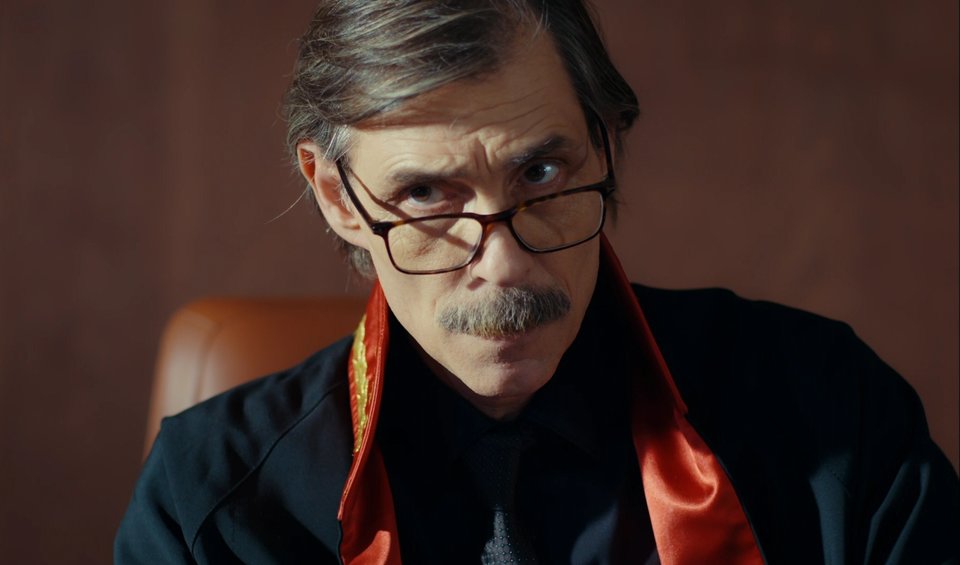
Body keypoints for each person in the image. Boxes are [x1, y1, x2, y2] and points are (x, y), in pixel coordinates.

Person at [115, 1, 959, 563]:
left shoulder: (833, 412)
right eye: (425, 194)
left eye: (543, 173)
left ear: (606, 145)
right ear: (338, 196)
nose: (505, 266)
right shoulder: (210, 499)